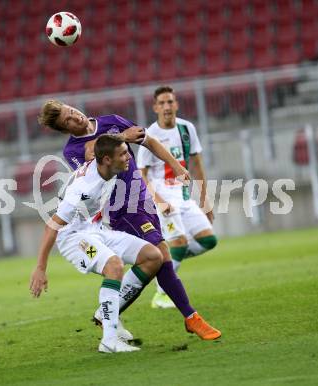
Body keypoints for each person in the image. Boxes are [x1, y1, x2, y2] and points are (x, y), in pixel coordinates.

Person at [37, 100, 221, 341]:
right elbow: (97, 156)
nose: (75, 118)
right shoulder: (73, 150)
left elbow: (149, 140)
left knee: (156, 259)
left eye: (71, 111)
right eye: (67, 121)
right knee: (161, 255)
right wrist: (124, 136)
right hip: (120, 208)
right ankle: (191, 317)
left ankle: (108, 314)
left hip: (143, 199)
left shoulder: (111, 120)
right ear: (65, 129)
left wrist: (175, 165)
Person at [30, 134, 164, 353]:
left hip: (95, 230)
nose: (128, 157)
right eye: (123, 154)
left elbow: (97, 142)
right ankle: (109, 341)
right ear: (108, 160)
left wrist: (123, 136)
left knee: (152, 256)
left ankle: (106, 312)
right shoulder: (83, 189)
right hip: (73, 238)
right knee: (114, 266)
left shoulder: (103, 163)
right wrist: (40, 268)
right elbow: (51, 226)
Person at [137, 86, 218, 309]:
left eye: (170, 102)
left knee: (208, 241)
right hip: (162, 201)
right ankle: (161, 295)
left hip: (184, 197)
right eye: (162, 103)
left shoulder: (186, 128)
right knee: (179, 245)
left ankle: (164, 263)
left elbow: (197, 165)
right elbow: (140, 175)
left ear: (176, 105)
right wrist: (159, 201)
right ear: (155, 108)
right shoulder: (149, 135)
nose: (166, 107)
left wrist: (205, 200)